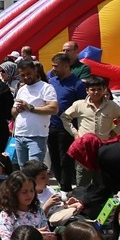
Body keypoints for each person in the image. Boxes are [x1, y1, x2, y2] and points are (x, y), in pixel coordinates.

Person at [61, 76, 120, 185]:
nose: (96, 92)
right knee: (82, 180)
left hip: (103, 148)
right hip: (84, 149)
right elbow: (65, 117)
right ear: (87, 90)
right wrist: (74, 133)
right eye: (92, 89)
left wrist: (114, 132)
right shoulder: (79, 105)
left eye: (99, 89)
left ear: (104, 90)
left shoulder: (112, 106)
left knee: (101, 180)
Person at [46, 52, 85, 192]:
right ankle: (60, 182)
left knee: (65, 160)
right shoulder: (51, 81)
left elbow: (82, 107)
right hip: (50, 126)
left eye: (56, 66)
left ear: (66, 66)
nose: (53, 69)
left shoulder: (78, 84)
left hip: (67, 128)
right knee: (54, 160)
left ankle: (66, 188)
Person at [11, 59, 58, 166]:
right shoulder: (22, 89)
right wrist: (17, 109)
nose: (26, 77)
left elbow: (54, 109)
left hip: (37, 136)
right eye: (23, 75)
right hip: (19, 136)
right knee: (24, 173)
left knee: (34, 171)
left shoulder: (46, 88)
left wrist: (30, 108)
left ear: (35, 71)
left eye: (29, 73)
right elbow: (13, 112)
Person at [0, 170, 52, 240]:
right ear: (13, 193)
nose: (29, 195)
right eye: (24, 192)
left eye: (32, 190)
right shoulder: (6, 215)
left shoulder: (38, 211)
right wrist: (33, 237)